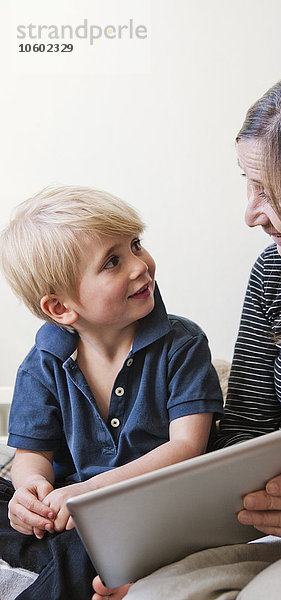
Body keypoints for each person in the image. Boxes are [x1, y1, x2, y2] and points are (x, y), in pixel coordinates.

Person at [93, 59, 281, 599]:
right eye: (247, 184)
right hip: (280, 524)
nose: (251, 213)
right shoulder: (274, 272)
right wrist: (168, 540)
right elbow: (245, 430)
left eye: (271, 190)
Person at [0, 185, 224, 599]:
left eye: (136, 245)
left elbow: (187, 448)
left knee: (91, 544)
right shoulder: (42, 362)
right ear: (61, 309)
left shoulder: (183, 343)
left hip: (153, 506)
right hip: (74, 509)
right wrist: (29, 492)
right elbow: (32, 456)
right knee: (11, 502)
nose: (140, 266)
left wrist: (89, 494)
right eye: (113, 262)